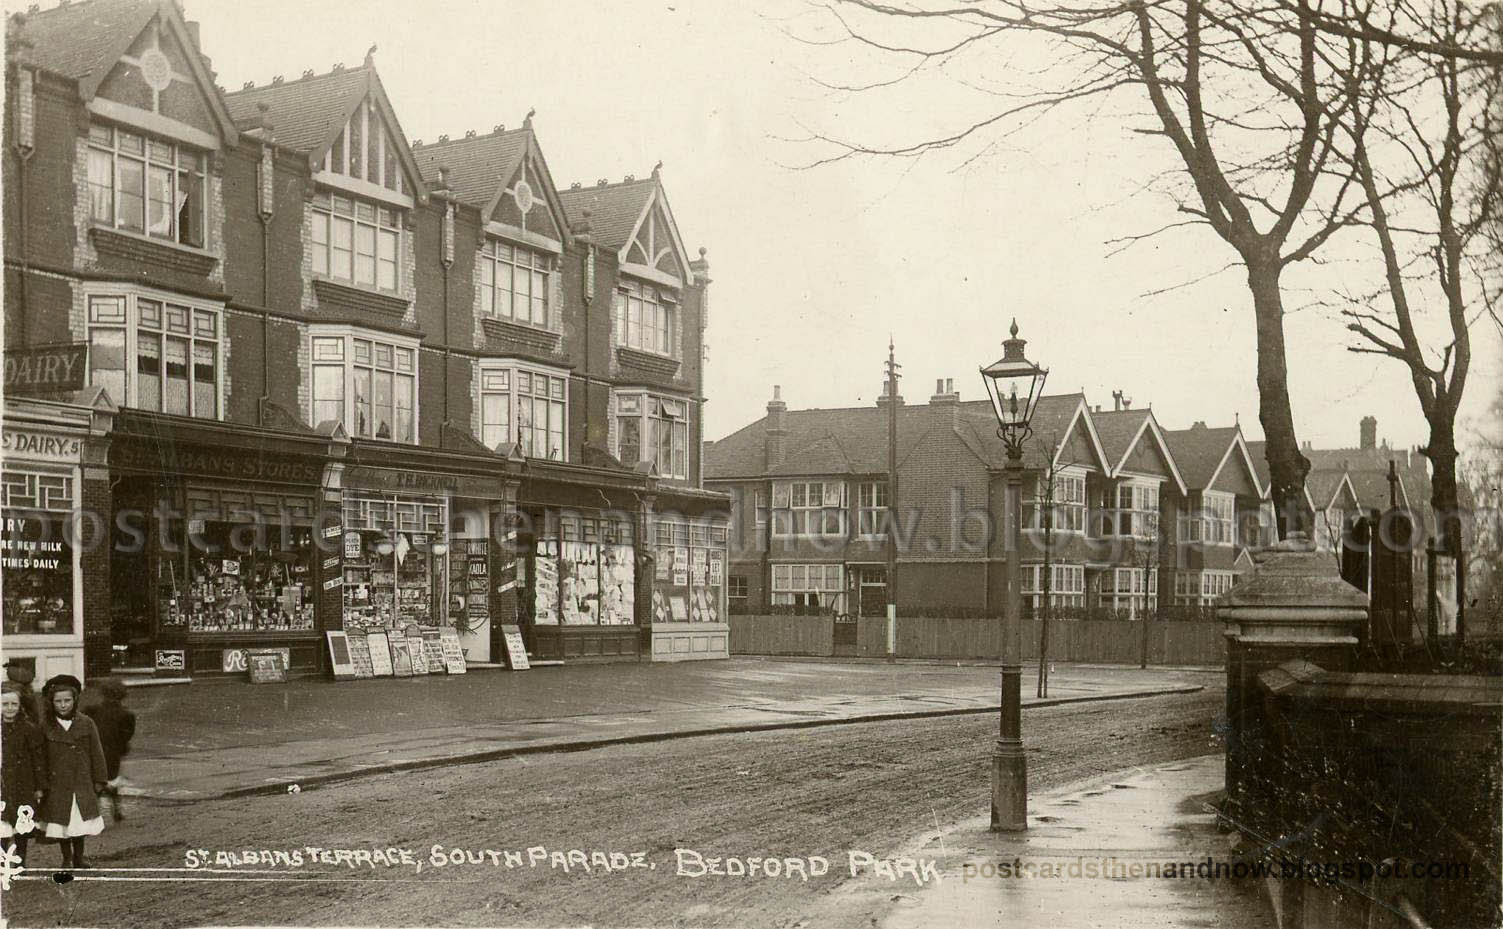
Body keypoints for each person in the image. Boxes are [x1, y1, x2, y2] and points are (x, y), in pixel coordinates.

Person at [38, 675, 107, 870]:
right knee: (62, 823)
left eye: (67, 700)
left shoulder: (86, 723)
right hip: (58, 784)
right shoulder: (46, 726)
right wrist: (42, 784)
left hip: (81, 782)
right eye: (58, 701)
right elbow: (40, 758)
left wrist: (100, 779)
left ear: (75, 700)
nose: (63, 705)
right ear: (51, 702)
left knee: (79, 822)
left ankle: (79, 857)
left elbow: (97, 751)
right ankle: (66, 857)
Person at [1, 682, 47, 867]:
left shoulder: (29, 729)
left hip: (23, 784)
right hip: (3, 784)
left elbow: (39, 760)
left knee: (22, 824)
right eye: (5, 704)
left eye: (14, 704)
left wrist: (39, 787)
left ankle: (20, 862)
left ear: (20, 706)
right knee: (2, 826)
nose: (10, 708)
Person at [86, 679, 135, 822]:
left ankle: (94, 814)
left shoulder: (92, 710)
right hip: (114, 753)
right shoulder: (126, 715)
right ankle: (116, 809)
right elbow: (126, 735)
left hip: (94, 752)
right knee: (112, 781)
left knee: (95, 781)